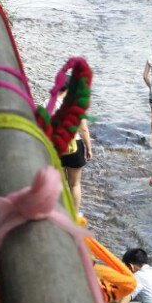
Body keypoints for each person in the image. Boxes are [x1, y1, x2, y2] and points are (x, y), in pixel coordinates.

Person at [53, 82, 93, 213]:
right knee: (75, 184)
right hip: (74, 147)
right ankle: (75, 215)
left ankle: (59, 212)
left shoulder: (46, 103)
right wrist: (89, 148)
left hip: (56, 148)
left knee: (58, 184)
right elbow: (84, 130)